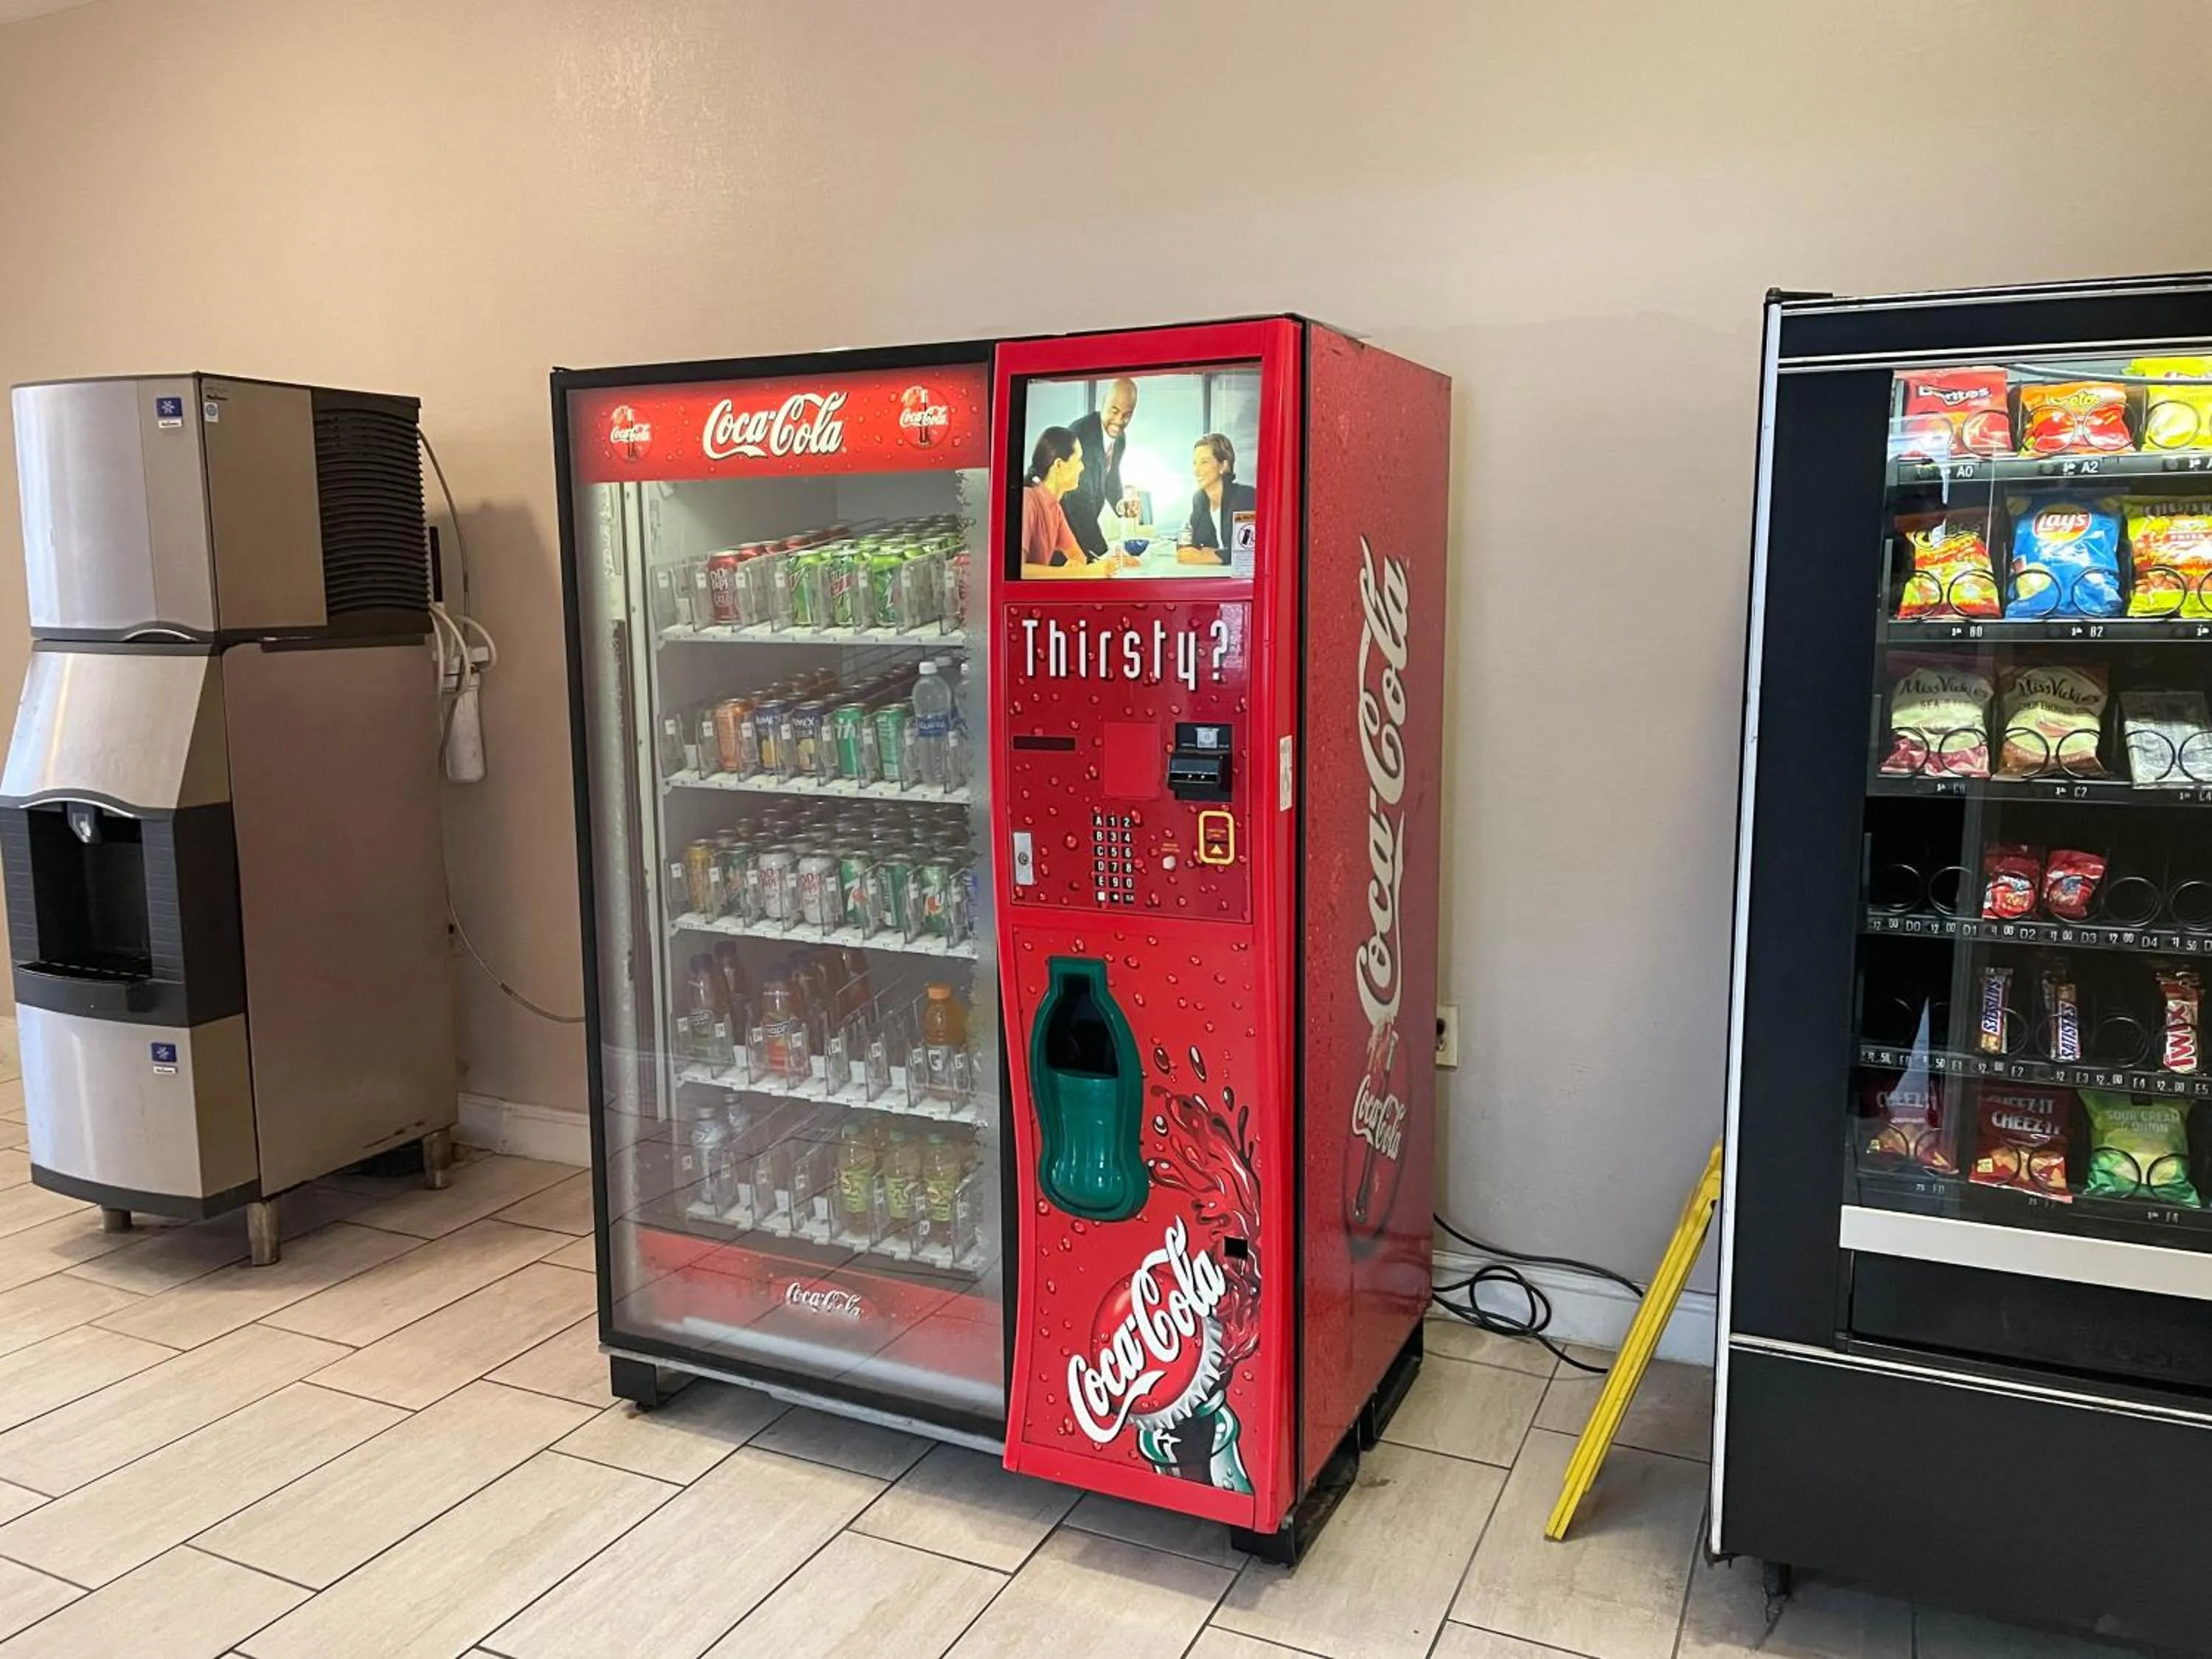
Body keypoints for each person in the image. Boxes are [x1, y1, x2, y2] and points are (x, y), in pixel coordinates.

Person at [1065, 378, 1138, 560]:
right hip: (1064, 529)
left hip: (1084, 525)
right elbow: (1079, 504)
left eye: (1127, 414)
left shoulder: (1120, 439)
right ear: (1103, 402)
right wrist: (1104, 553)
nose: (1119, 421)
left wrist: (1122, 505)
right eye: (1114, 411)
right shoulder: (1081, 434)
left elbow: (1111, 479)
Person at [1020, 426, 1095, 577]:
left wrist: (1075, 567)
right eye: (1079, 459)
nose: (1082, 467)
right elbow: (1018, 570)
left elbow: (1078, 556)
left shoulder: (1055, 508)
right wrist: (1070, 573)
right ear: (1059, 465)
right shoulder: (1028, 499)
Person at [1178, 433, 1259, 566]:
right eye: (1194, 463)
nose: (1196, 471)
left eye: (1204, 462)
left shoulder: (1245, 497)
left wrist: (1218, 556)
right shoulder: (1200, 499)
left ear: (1223, 466)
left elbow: (1250, 550)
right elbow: (1197, 545)